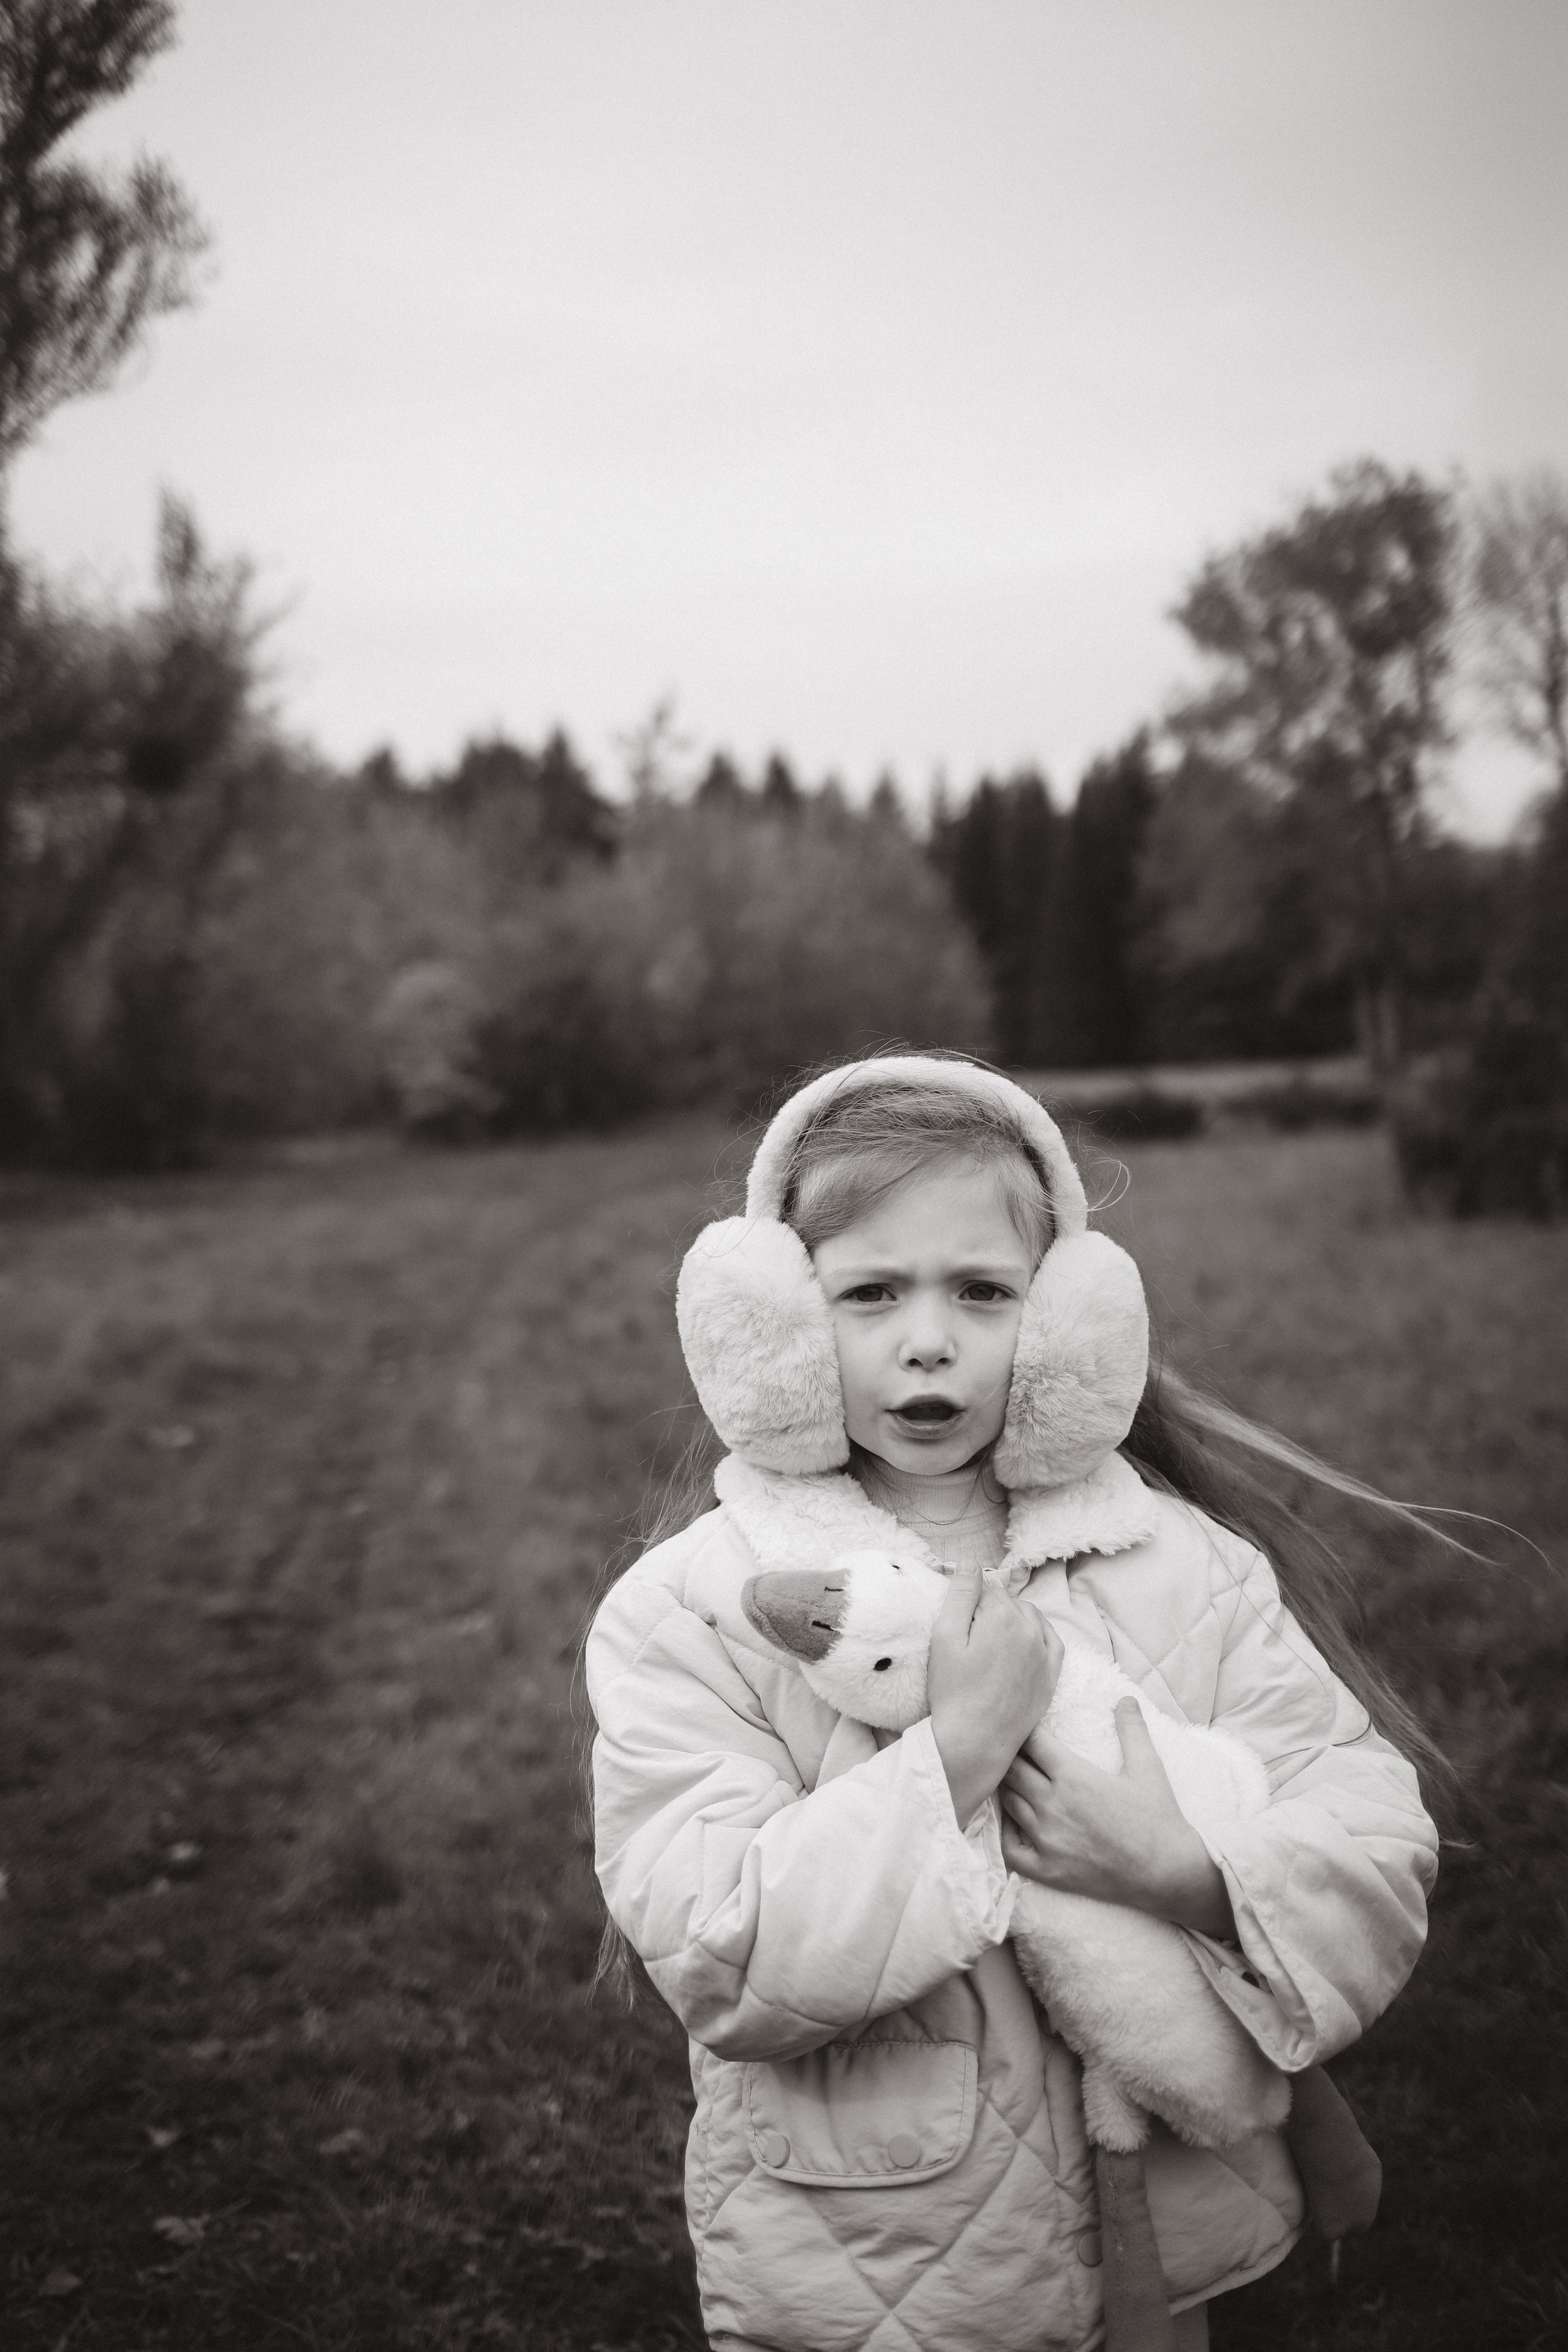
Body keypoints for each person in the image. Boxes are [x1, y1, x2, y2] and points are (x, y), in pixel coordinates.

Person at [586, 1056, 1440, 2352]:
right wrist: (957, 1758)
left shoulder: (1179, 1567)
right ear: (771, 1329)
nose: (926, 1337)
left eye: (981, 1292)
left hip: (1174, 2245)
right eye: (868, 1292)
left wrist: (1188, 1870)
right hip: (881, 2272)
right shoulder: (690, 1612)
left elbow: (1374, 1843)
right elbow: (725, 1956)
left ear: (1059, 1327)